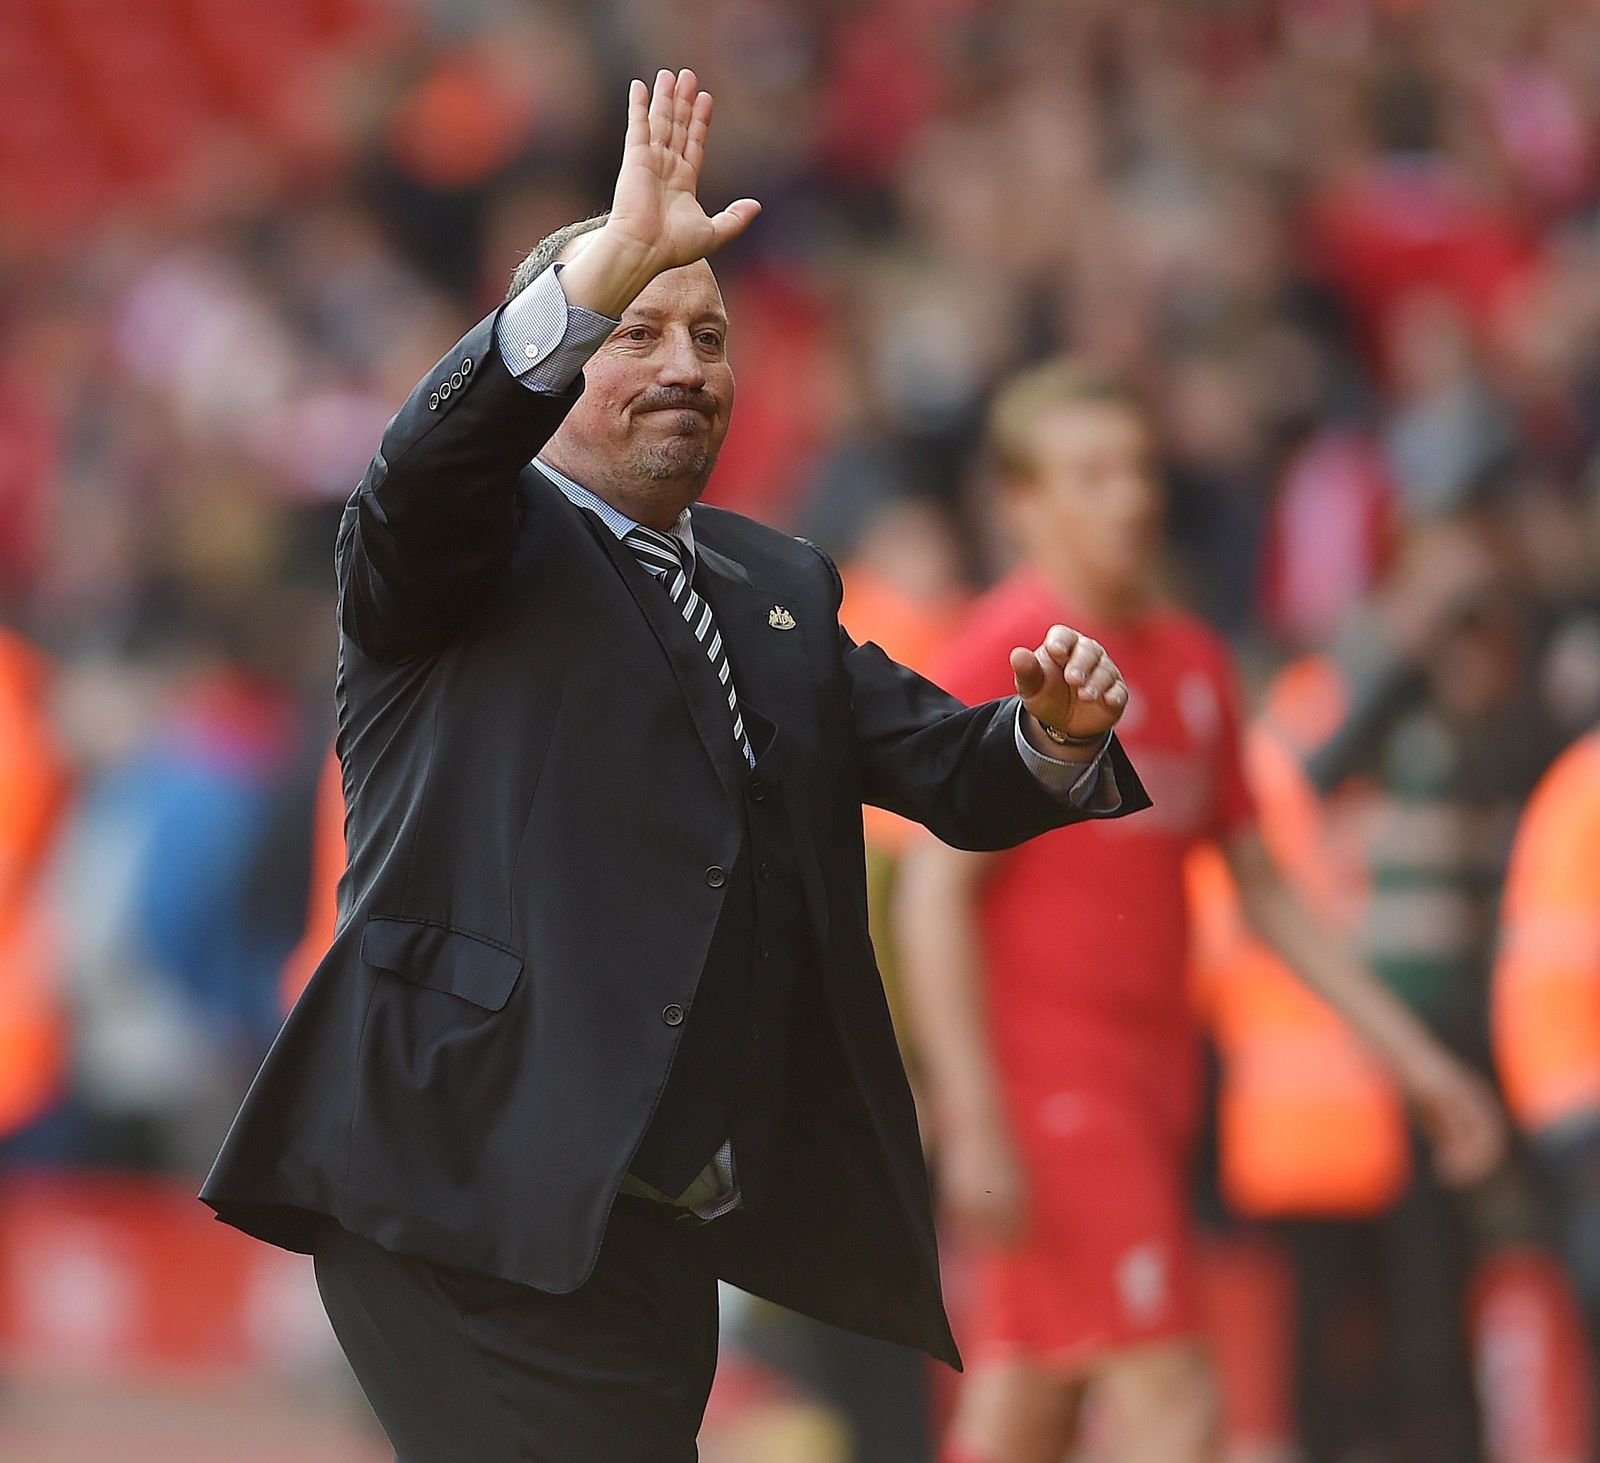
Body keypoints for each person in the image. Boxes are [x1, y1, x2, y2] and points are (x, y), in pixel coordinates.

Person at [199, 69, 1149, 1461]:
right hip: (457, 1182)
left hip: (650, 1203)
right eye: (637, 329)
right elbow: (427, 463)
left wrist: (1052, 739)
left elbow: (949, 770)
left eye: (708, 334)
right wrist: (596, 269)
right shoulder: (468, 548)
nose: (686, 363)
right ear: (565, 355)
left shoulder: (773, 584)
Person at [895, 359, 1507, 1463]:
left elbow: (1263, 887)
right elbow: (936, 890)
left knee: (1031, 1398)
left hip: (1155, 1090)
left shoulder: (1190, 664)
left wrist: (1413, 1062)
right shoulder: (1005, 654)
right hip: (1055, 1099)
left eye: (1134, 468)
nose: (1126, 496)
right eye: (1088, 474)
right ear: (1021, 501)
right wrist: (969, 1099)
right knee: (1175, 1399)